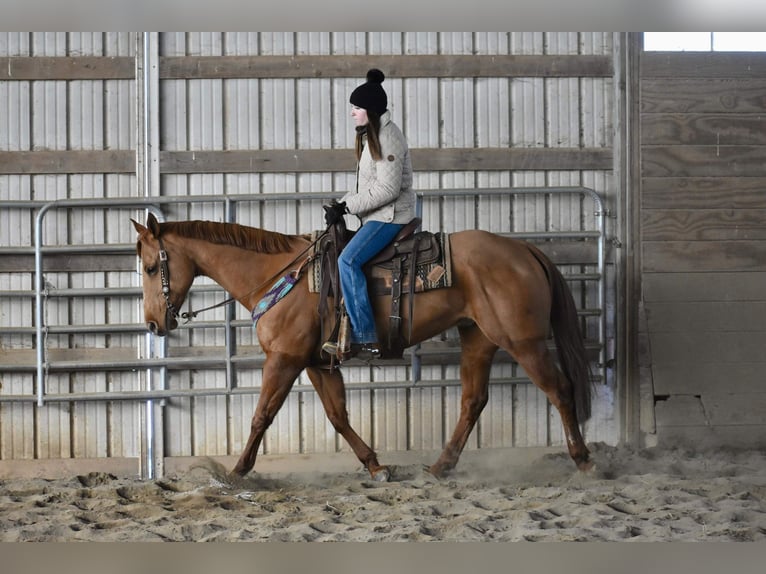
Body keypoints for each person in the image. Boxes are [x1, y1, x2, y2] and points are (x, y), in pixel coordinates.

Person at [322, 68, 415, 360]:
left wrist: (347, 207)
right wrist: (341, 203)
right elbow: (369, 185)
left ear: (371, 111)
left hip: (390, 216)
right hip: (377, 213)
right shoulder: (374, 135)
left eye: (357, 108)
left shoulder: (388, 138)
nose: (352, 113)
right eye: (352, 107)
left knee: (347, 261)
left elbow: (387, 190)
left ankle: (365, 336)